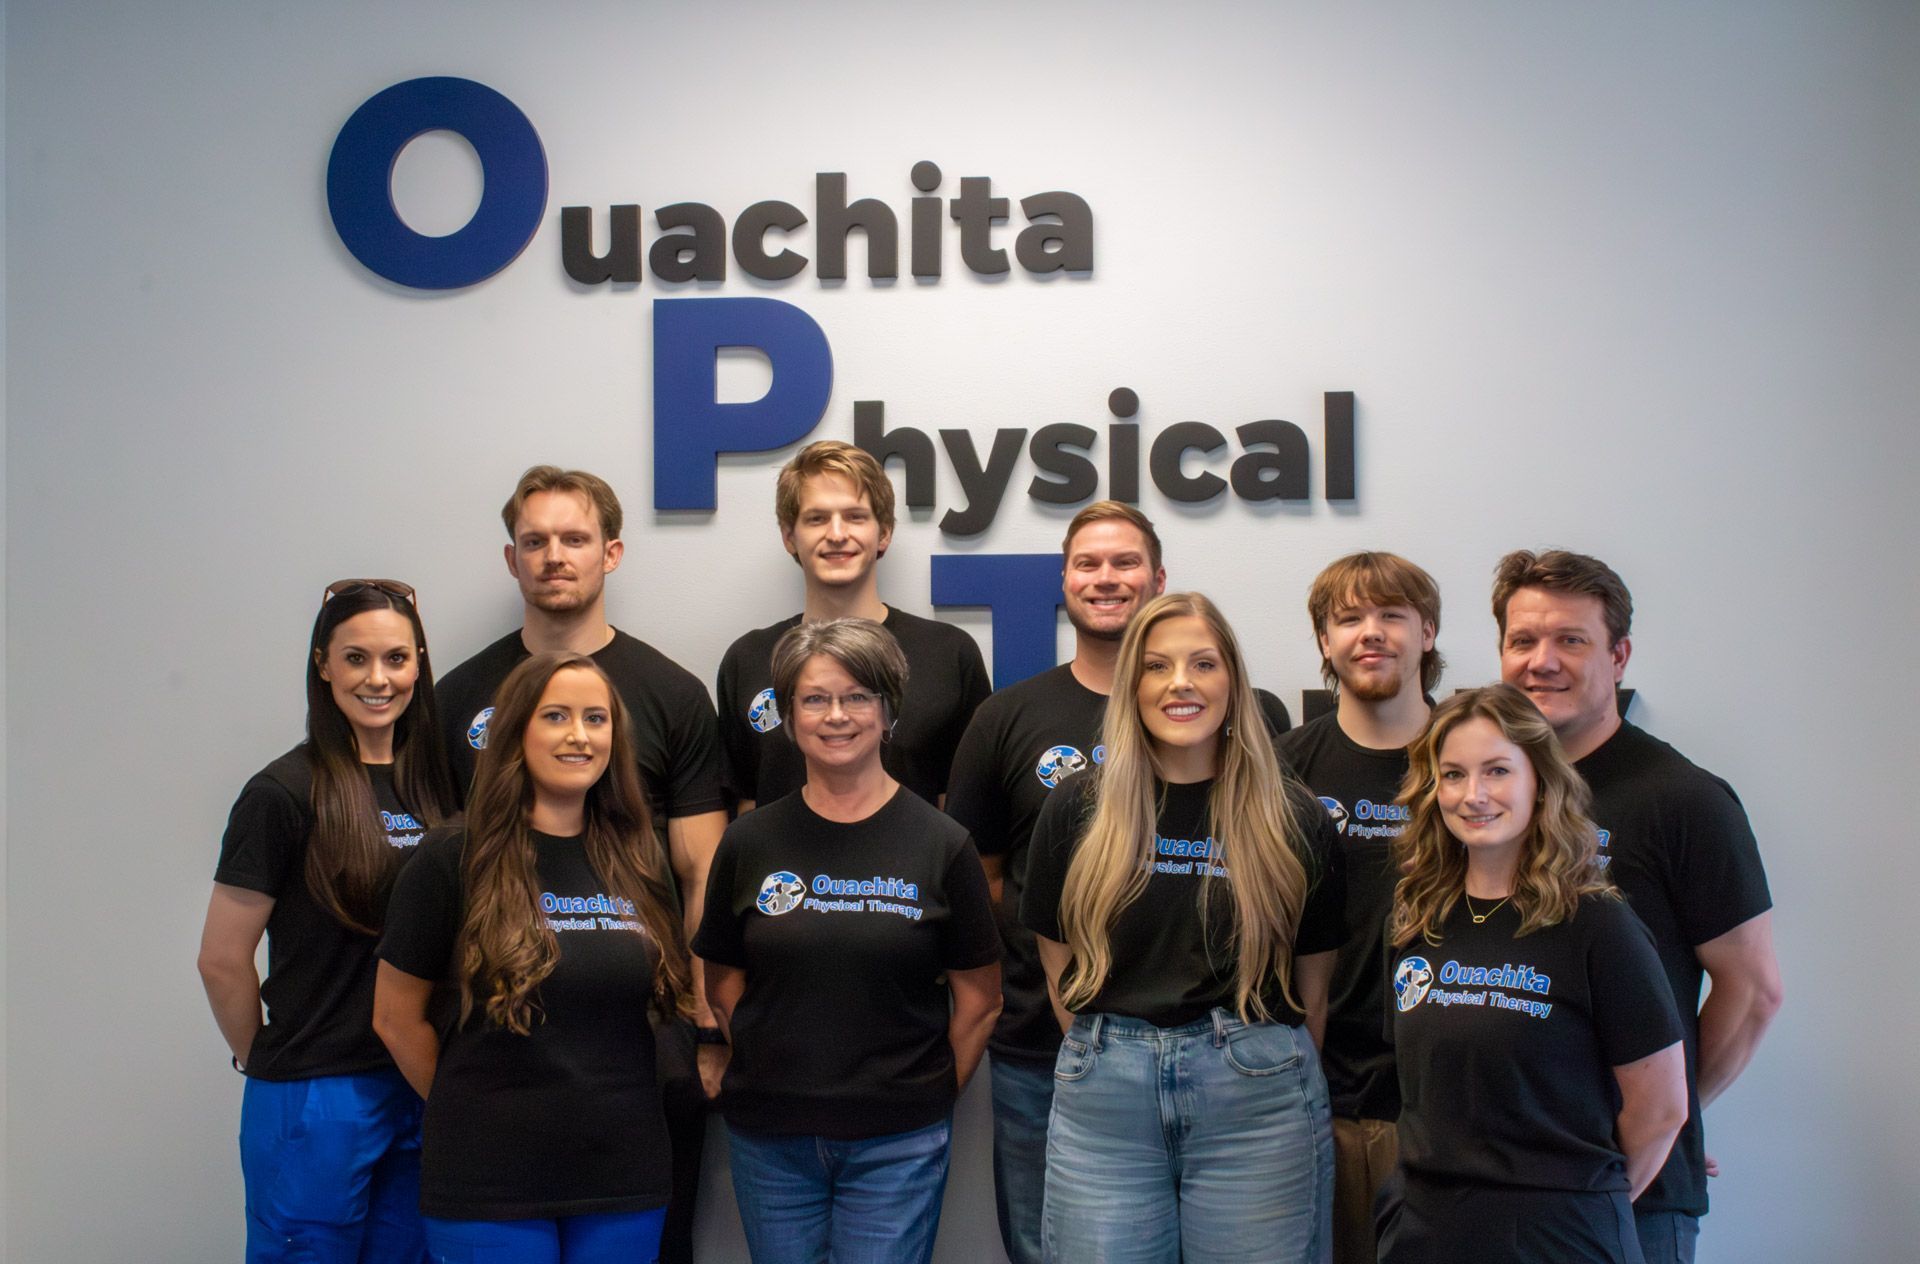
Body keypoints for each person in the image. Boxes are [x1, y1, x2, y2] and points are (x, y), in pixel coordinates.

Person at [944, 501, 1290, 1264]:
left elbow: (1284, 875)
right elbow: (985, 881)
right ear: (1063, 582)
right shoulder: (1006, 716)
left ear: (1159, 579)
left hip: (1229, 1055)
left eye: (1126, 563)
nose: (1107, 579)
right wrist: (1070, 1007)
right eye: (1089, 564)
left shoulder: (1247, 717)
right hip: (1049, 1046)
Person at [434, 465, 728, 1262]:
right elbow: (432, 876)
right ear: (511, 560)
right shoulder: (456, 696)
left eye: (574, 539)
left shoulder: (672, 694)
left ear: (613, 553)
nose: (553, 556)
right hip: (496, 1047)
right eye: (535, 541)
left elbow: (700, 874)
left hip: (638, 1039)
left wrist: (705, 1029)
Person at [1021, 591, 1344, 1264]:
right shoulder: (1078, 806)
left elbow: (1313, 984)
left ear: (1233, 680)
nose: (1181, 684)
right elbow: (1059, 966)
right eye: (1158, 666)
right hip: (1106, 1106)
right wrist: (1120, 1060)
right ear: (1130, 683)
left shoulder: (1290, 817)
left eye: (1203, 664)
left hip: (1257, 1105)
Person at [1493, 549, 1781, 1264]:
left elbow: (1754, 992)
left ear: (1619, 656)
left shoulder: (1684, 800)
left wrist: (1661, 1121)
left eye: (1571, 640)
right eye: (1522, 641)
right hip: (1499, 1185)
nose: (1542, 661)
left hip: (1630, 1195)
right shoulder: (1489, 792)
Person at [694, 618, 1002, 1264]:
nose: (837, 715)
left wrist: (925, 1094)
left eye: (858, 697)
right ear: (789, 716)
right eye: (815, 699)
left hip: (898, 1140)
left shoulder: (943, 844)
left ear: (889, 712)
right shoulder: (748, 843)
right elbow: (721, 978)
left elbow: (980, 1000)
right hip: (769, 1136)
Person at [373, 652, 693, 1264]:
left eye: (596, 718)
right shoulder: (452, 857)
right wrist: (473, 1107)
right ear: (516, 729)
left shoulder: (639, 858)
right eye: (556, 716)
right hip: (488, 1179)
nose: (579, 735)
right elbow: (394, 1017)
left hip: (624, 1174)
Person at [1380, 685, 1690, 1263]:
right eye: (1452, 775)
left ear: (1539, 781)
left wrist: (1582, 1201)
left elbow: (1662, 1107)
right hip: (1426, 1227)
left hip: (1558, 1231)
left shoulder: (1598, 924)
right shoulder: (1415, 916)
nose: (1473, 795)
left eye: (1497, 771)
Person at [198, 578, 457, 1263]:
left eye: (397, 659)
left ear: (419, 665)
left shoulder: (439, 789)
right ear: (323, 664)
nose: (379, 679)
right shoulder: (282, 793)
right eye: (356, 658)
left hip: (416, 1083)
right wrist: (267, 1061)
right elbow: (222, 959)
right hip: (317, 1096)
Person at [1275, 551, 1440, 1264]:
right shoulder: (1282, 767)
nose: (1370, 633)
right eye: (1348, 619)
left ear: (1428, 632)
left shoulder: (1476, 761)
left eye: (1391, 616)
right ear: (1323, 642)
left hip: (1446, 1111)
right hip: (1314, 1102)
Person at [715, 440, 988, 811]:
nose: (837, 533)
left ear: (884, 533)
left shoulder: (949, 655)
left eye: (855, 516)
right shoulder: (749, 659)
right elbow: (745, 807)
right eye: (817, 518)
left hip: (908, 869)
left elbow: (961, 812)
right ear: (789, 537)